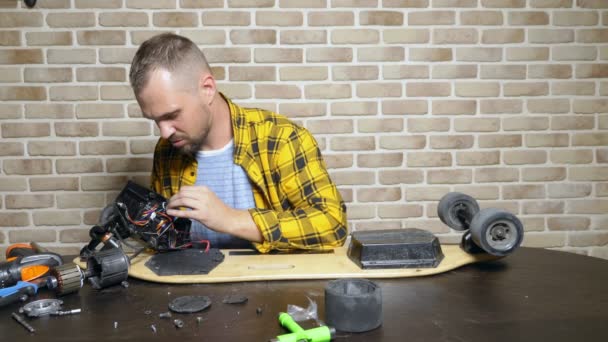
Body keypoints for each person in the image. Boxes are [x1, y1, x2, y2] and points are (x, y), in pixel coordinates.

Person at [128, 33, 347, 253]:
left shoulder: (281, 138)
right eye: (155, 120)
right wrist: (133, 223)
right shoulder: (167, 151)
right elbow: (166, 241)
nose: (164, 132)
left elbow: (332, 224)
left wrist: (230, 219)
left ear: (207, 89)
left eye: (172, 114)